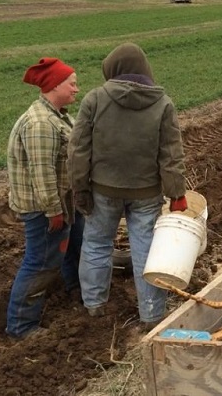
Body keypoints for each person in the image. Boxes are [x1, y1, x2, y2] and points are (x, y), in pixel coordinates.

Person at [68, 42, 187, 329]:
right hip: (146, 193)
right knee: (146, 251)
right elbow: (171, 153)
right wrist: (177, 194)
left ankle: (95, 305)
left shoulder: (95, 99)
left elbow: (78, 149)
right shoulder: (162, 104)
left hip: (103, 189)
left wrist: (80, 187)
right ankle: (152, 315)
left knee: (96, 244)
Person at [6, 58, 84, 340]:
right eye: (72, 83)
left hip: (64, 202)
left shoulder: (59, 116)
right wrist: (54, 212)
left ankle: (76, 290)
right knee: (41, 262)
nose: (77, 89)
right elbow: (42, 173)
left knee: (75, 248)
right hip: (45, 209)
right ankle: (21, 326)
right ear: (55, 85)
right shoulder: (40, 124)